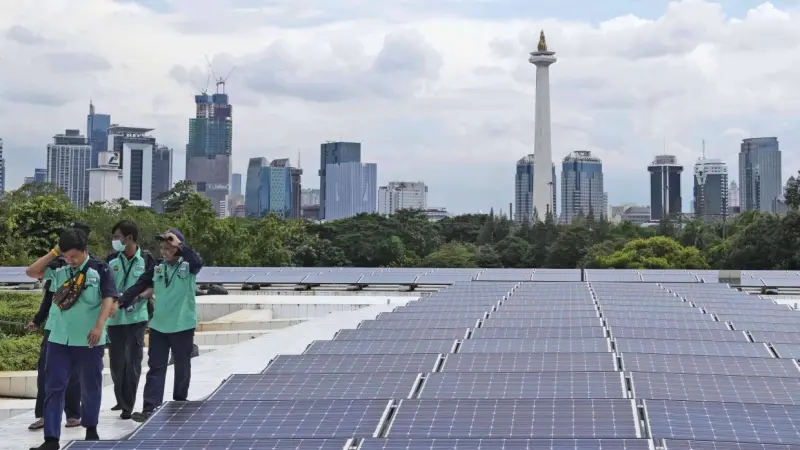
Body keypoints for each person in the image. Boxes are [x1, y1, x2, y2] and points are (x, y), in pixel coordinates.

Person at [29, 228, 119, 450]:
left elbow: (109, 298)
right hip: (59, 339)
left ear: (85, 251)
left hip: (88, 339)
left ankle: (91, 429)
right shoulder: (59, 266)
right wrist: (55, 252)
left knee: (90, 387)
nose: (70, 260)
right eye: (66, 256)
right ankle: (51, 439)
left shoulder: (100, 269)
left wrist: (99, 327)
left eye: (74, 256)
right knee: (54, 387)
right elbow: (32, 272)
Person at [117, 229, 203, 423]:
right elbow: (139, 285)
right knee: (156, 367)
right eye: (162, 248)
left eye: (168, 248)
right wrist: (122, 301)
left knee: (182, 366)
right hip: (159, 326)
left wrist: (180, 244)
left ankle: (180, 401)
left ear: (177, 248)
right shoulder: (157, 267)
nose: (163, 252)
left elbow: (198, 262)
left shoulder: (188, 266)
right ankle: (149, 407)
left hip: (182, 325)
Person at [25, 222, 96, 431]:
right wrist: (38, 319)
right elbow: (46, 293)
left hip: (79, 329)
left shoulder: (95, 266)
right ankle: (44, 415)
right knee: (46, 372)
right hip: (55, 328)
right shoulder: (58, 265)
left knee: (73, 374)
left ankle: (74, 414)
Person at [105, 220, 156, 420]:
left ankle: (128, 405)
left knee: (133, 362)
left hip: (137, 317)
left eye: (118, 237)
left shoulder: (146, 259)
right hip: (115, 318)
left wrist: (139, 296)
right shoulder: (111, 260)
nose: (115, 240)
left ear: (130, 238)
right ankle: (121, 398)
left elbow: (153, 285)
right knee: (117, 364)